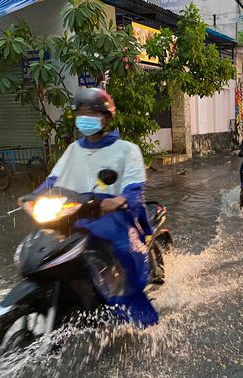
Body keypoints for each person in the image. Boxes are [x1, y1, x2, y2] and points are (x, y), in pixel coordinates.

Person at [32, 87, 158, 327]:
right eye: (81, 113)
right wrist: (33, 197)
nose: (85, 118)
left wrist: (119, 200)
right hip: (77, 212)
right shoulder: (73, 150)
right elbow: (53, 181)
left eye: (92, 113)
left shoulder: (127, 150)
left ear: (107, 117)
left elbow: (134, 187)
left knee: (124, 252)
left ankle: (134, 312)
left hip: (115, 215)